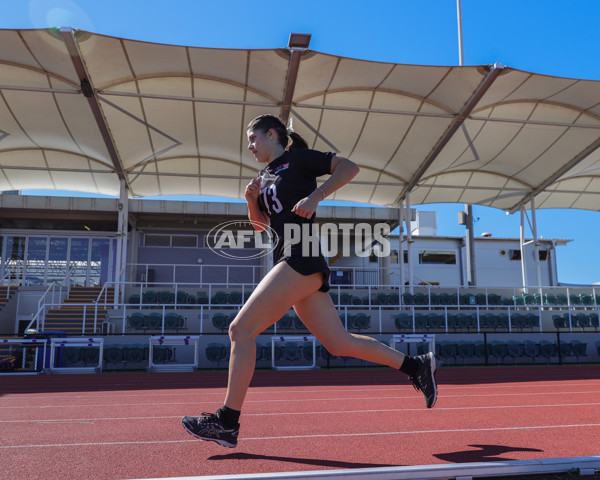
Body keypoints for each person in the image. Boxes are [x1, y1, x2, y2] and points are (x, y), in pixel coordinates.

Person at [182, 114, 437, 448]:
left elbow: (350, 167)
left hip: (300, 258)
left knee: (239, 331)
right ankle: (416, 365)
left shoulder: (297, 159)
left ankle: (227, 422)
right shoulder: (264, 175)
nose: (249, 146)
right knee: (339, 343)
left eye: (253, 138)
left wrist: (318, 194)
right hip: (290, 259)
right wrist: (250, 201)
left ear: (272, 134)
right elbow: (261, 229)